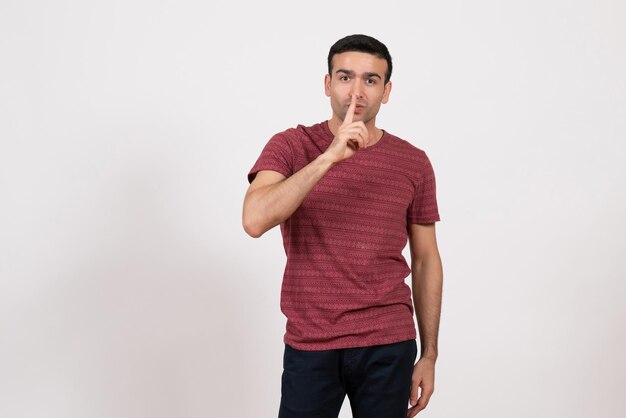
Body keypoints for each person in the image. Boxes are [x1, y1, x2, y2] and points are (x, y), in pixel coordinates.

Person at [242, 34, 443, 418]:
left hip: (388, 341)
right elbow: (254, 220)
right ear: (327, 83)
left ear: (386, 91)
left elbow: (426, 259)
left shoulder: (412, 162)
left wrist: (430, 353)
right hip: (311, 342)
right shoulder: (292, 146)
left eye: (370, 80)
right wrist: (328, 158)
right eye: (345, 77)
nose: (356, 91)